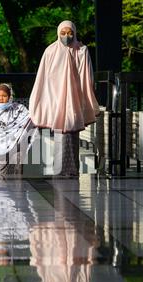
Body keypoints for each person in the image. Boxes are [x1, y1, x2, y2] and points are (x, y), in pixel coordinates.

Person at [29, 20, 100, 176]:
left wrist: (82, 97)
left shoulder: (82, 50)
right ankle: (60, 170)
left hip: (75, 99)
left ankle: (71, 170)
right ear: (58, 33)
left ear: (74, 33)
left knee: (72, 132)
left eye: (70, 33)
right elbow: (44, 77)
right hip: (56, 99)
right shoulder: (50, 51)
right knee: (61, 133)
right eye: (63, 33)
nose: (67, 36)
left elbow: (87, 77)